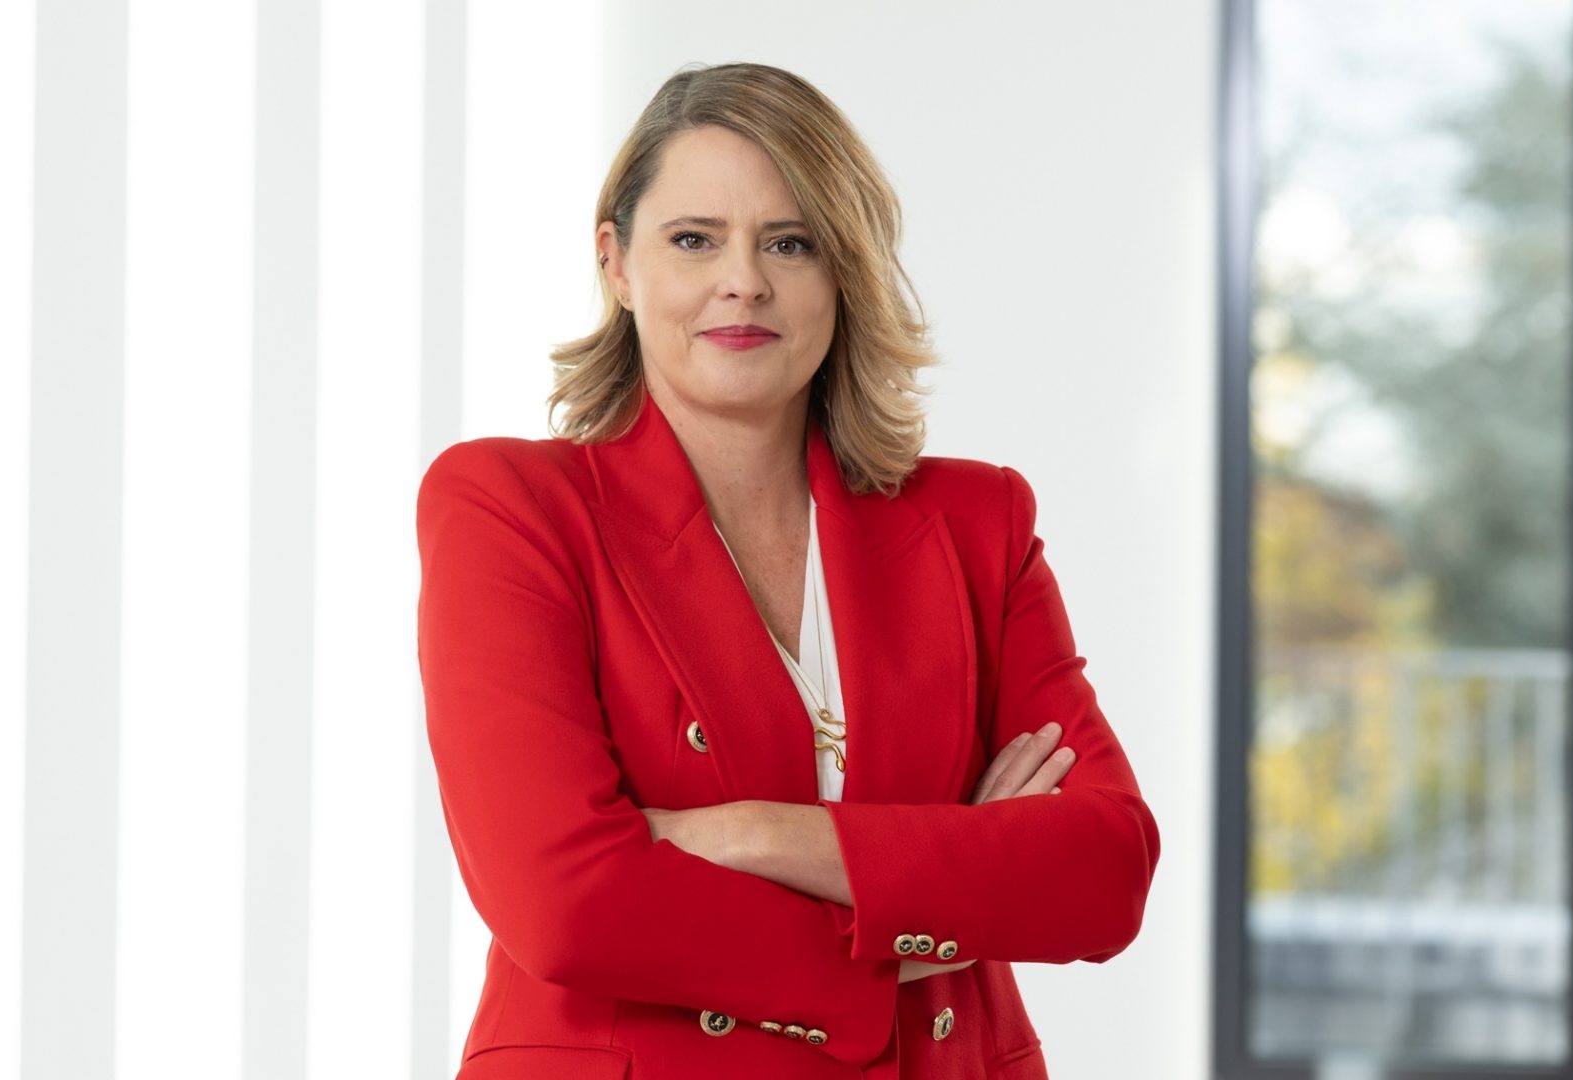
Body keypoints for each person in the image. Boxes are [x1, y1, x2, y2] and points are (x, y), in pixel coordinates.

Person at [417, 61, 1160, 1080]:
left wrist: (751, 837)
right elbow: (567, 904)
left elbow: (1104, 870)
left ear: (844, 271)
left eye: (791, 242)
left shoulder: (977, 524)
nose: (745, 282)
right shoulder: (509, 507)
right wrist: (942, 886)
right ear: (617, 264)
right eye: (694, 239)